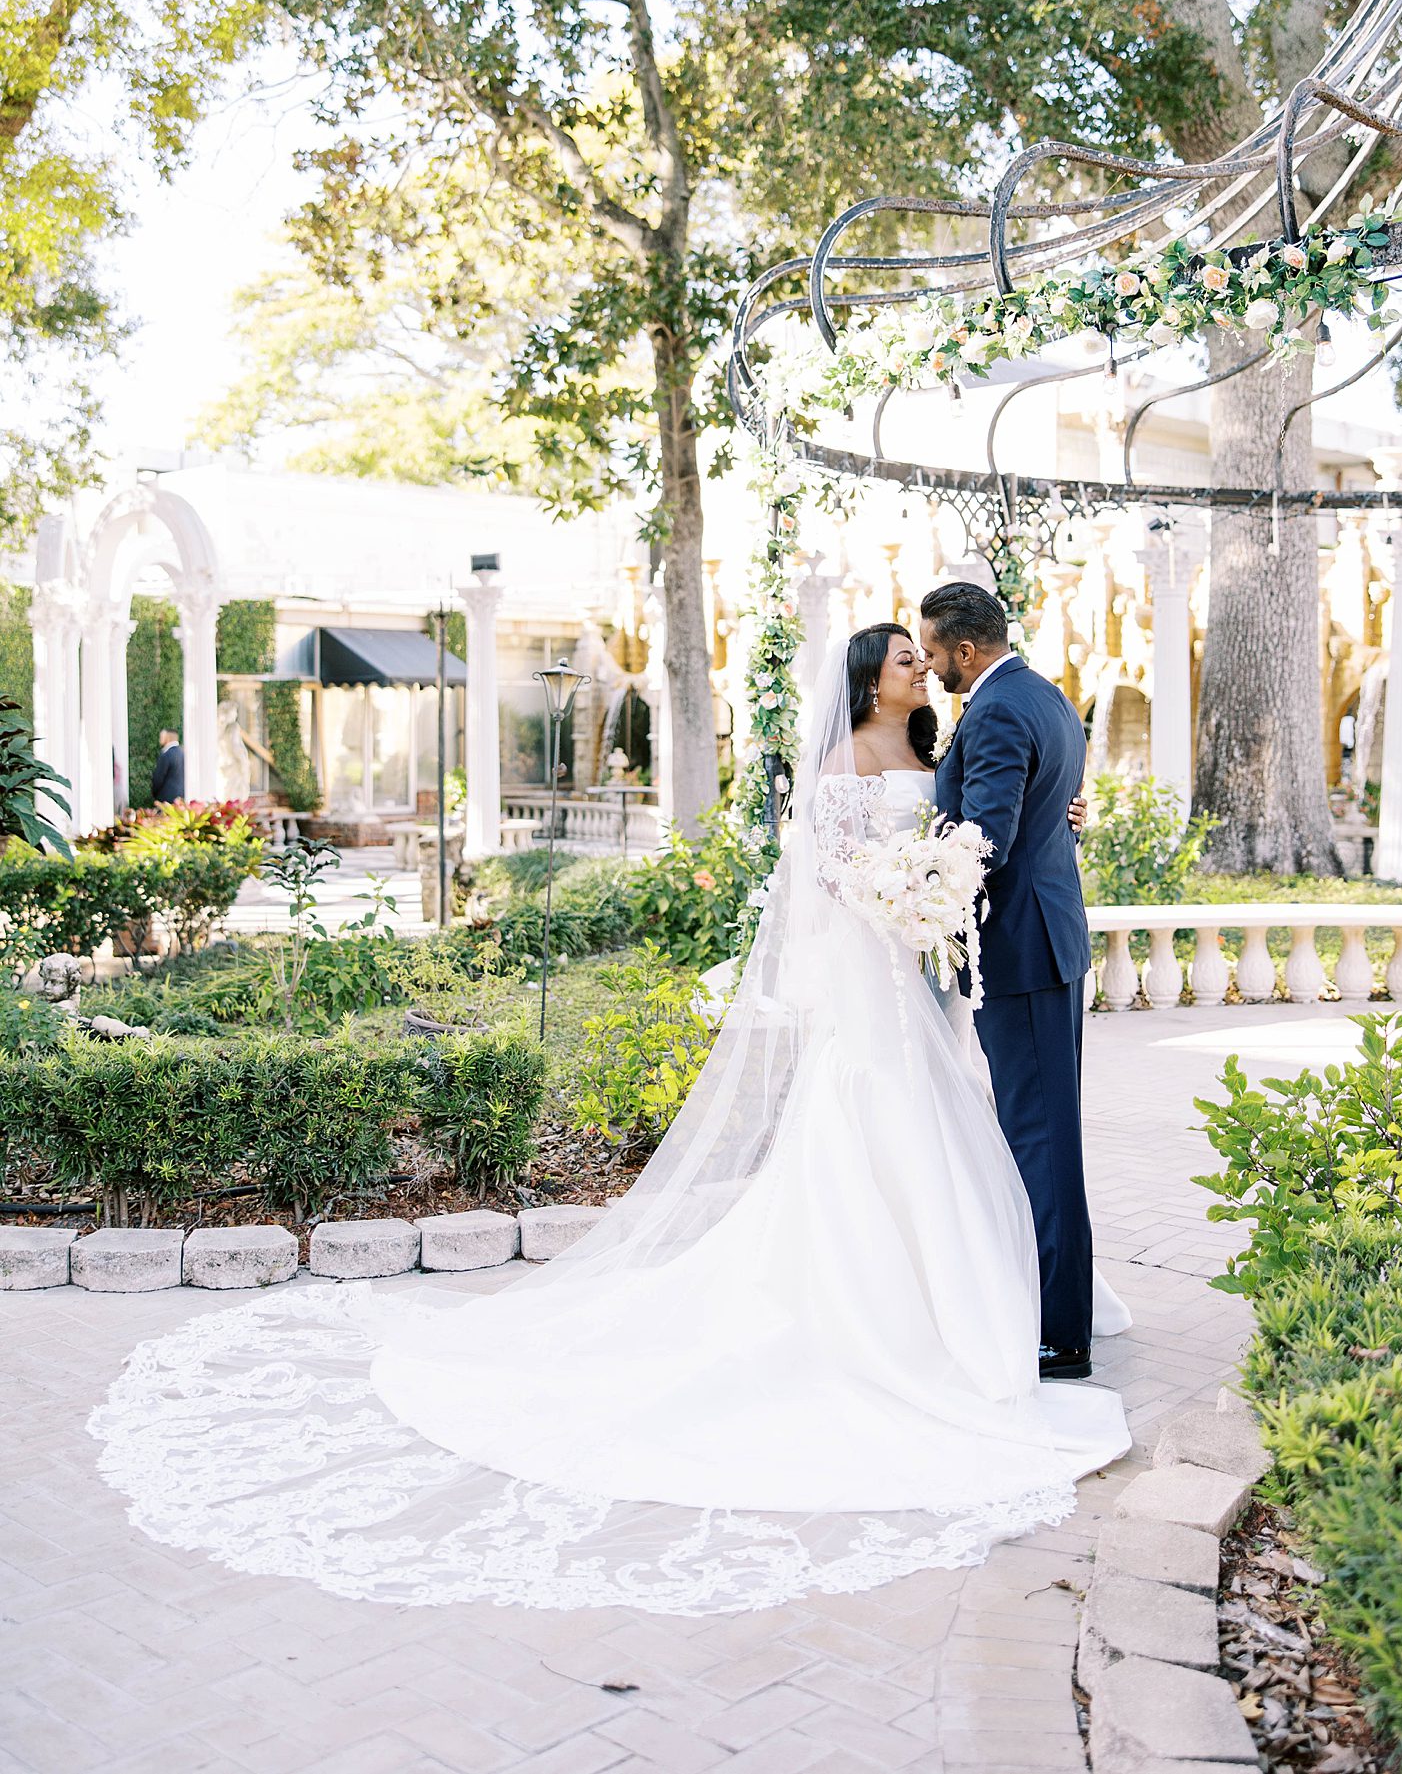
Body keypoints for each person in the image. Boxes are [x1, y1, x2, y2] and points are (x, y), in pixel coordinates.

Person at [91, 624, 1129, 1618]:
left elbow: (982, 823)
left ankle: (976, 1302)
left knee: (952, 1131)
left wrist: (1024, 833)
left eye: (923, 654)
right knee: (875, 1123)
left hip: (932, 968)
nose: (921, 668)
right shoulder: (840, 764)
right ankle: (893, 1315)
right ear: (868, 680)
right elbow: (823, 872)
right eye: (905, 658)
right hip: (876, 969)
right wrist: (888, 893)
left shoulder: (935, 746)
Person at [921, 580, 1106, 1383]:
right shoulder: (1050, 697)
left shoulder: (994, 709)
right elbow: (1043, 810)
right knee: (1046, 1132)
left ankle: (1060, 1334)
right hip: (1051, 938)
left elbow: (981, 842)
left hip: (1022, 950)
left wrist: (909, 872)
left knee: (1038, 1137)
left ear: (967, 649)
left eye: (932, 653)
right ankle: (1056, 1311)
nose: (929, 668)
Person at [149, 728, 185, 805]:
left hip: (166, 799)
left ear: (167, 738)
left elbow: (158, 778)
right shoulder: (182, 752)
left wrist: (154, 793)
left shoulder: (166, 754)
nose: (160, 739)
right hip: (181, 798)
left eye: (161, 736)